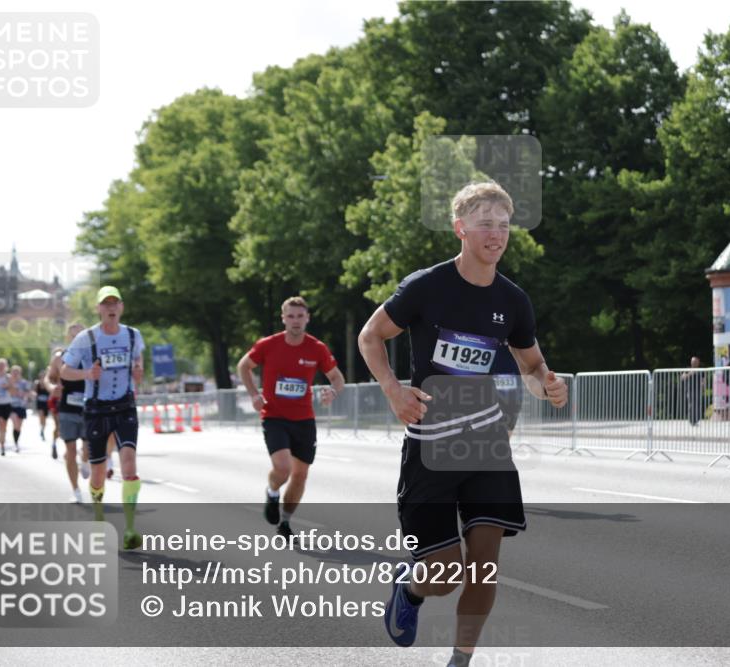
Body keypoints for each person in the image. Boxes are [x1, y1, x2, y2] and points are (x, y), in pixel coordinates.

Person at [358, 181, 568, 667]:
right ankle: (410, 591)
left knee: (485, 567)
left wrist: (548, 384)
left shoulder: (513, 301)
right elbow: (371, 336)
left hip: (486, 445)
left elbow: (532, 365)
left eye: (503, 225)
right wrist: (394, 389)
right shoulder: (426, 287)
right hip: (431, 447)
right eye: (485, 224)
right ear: (461, 229)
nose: (496, 234)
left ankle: (460, 661)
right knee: (444, 574)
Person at [237, 296, 344, 539]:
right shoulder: (268, 345)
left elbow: (337, 377)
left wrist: (333, 391)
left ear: (307, 318)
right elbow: (244, 366)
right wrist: (254, 394)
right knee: (283, 468)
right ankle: (272, 491)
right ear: (283, 318)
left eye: (300, 316)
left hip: (304, 419)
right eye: (291, 316)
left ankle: (285, 522)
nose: (295, 321)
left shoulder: (316, 348)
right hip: (274, 416)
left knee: (300, 474)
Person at [60, 286, 145, 549]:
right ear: (98, 308)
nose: (110, 308)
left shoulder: (133, 335)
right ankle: (98, 519)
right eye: (105, 304)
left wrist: (139, 372)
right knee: (97, 473)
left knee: (129, 462)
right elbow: (64, 371)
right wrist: (86, 375)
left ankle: (130, 529)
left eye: (115, 303)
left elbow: (138, 365)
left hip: (125, 406)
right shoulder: (86, 338)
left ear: (121, 307)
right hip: (96, 408)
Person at [47, 323, 88, 502]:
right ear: (68, 339)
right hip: (68, 408)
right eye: (73, 336)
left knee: (88, 448)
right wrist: (51, 387)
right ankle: (76, 490)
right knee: (70, 450)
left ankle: (85, 461)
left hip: (90, 408)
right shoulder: (60, 358)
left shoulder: (94, 355)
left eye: (81, 335)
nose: (77, 338)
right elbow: (48, 378)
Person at [8, 365, 32, 452]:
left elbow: (29, 392)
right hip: (12, 406)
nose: (15, 374)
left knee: (19, 426)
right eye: (13, 372)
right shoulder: (9, 382)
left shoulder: (24, 382)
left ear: (20, 373)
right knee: (15, 423)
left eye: (17, 372)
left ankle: (16, 442)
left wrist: (25, 394)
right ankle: (15, 444)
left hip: (21, 406)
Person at [681, 356, 704, 426]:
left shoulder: (701, 370)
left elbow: (703, 379)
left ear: (698, 363)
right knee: (691, 405)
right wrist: (690, 373)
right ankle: (691, 420)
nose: (694, 363)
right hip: (690, 390)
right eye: (693, 362)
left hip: (698, 390)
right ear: (691, 362)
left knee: (698, 405)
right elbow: (682, 377)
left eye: (696, 362)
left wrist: (703, 386)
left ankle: (696, 420)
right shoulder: (688, 369)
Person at [34, 372, 50, 441]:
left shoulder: (48, 383)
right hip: (40, 402)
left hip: (46, 403)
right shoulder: (37, 383)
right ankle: (41, 427)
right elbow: (35, 392)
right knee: (41, 416)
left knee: (45, 418)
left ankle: (42, 430)